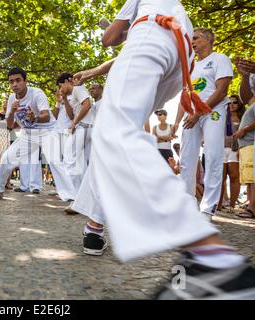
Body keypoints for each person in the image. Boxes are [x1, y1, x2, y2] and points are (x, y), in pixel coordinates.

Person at [70, 0, 254, 299]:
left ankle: (212, 258)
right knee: (120, 129)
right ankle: (95, 227)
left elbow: (112, 38)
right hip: (180, 62)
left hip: (154, 40)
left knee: (115, 128)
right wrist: (96, 71)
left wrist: (113, 32)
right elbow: (141, 45)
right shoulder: (177, 12)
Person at [0, 67, 77, 201]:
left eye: (18, 80)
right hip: (28, 134)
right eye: (11, 81)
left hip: (47, 131)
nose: (15, 84)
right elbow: (9, 125)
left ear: (25, 81)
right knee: (7, 158)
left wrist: (34, 118)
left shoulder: (36, 93)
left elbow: (46, 116)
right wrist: (12, 112)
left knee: (55, 161)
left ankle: (71, 198)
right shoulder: (12, 99)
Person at [175, 28, 233, 221]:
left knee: (213, 155)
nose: (191, 42)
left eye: (195, 38)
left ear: (208, 39)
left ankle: (207, 209)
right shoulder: (190, 67)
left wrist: (199, 112)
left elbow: (222, 91)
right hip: (192, 115)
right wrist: (177, 122)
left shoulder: (220, 59)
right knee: (186, 159)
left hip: (212, 112)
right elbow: (184, 96)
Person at [57, 72, 94, 191]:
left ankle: (75, 192)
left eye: (61, 86)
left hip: (85, 126)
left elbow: (87, 105)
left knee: (69, 159)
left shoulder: (78, 88)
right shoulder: (70, 96)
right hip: (83, 127)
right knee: (82, 162)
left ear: (68, 81)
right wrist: (64, 100)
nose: (60, 89)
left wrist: (74, 123)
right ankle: (83, 193)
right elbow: (71, 115)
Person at [217, 95, 245, 212]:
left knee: (234, 177)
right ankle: (218, 204)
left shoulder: (243, 117)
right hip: (221, 149)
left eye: (234, 102)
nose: (231, 105)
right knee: (221, 177)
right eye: (229, 103)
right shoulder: (222, 116)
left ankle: (232, 206)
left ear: (239, 105)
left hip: (235, 149)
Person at [233, 100, 255, 218]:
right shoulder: (251, 105)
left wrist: (244, 129)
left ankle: (252, 208)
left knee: (252, 179)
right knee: (249, 179)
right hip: (245, 146)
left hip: (251, 144)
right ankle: (251, 206)